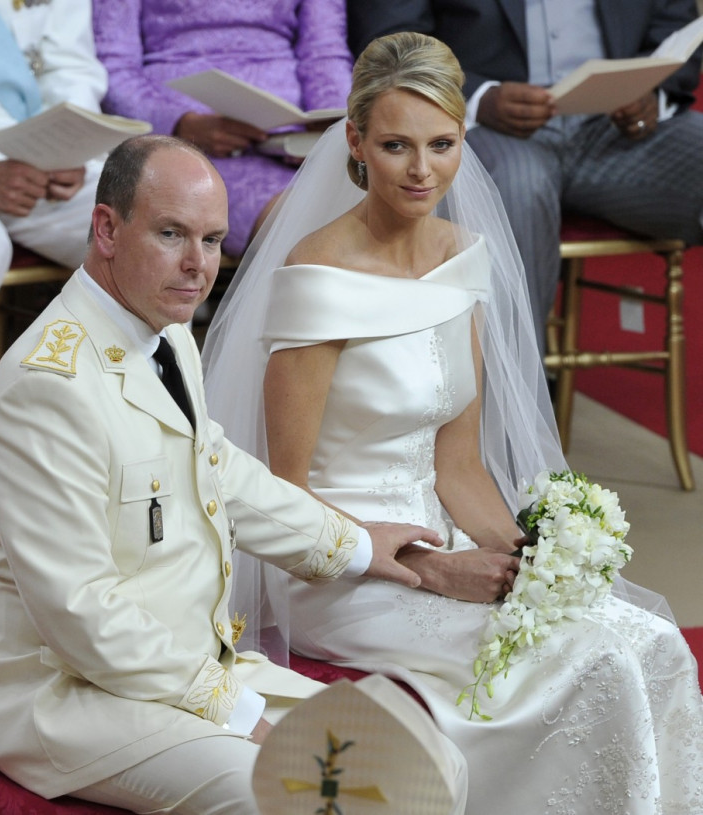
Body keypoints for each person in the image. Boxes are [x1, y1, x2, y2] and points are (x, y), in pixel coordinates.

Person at [202, 33, 703, 814]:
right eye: (396, 145)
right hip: (338, 566)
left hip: (450, 537)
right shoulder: (318, 277)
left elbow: (460, 467)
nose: (420, 170)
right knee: (593, 664)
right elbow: (282, 496)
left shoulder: (460, 256)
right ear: (356, 142)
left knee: (651, 642)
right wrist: (434, 571)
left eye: (442, 145)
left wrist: (529, 561)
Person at [0, 134, 468, 814]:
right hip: (71, 694)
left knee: (426, 760)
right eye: (172, 233)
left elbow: (217, 469)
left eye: (211, 240)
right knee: (303, 793)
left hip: (181, 663)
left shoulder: (163, 327)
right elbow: (82, 613)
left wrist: (354, 543)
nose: (197, 266)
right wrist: (233, 708)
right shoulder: (47, 388)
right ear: (107, 228)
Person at [347, 0, 703, 354]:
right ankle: (515, 393)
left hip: (616, 130)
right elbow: (390, 39)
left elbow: (675, 23)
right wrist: (478, 98)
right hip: (487, 128)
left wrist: (652, 94)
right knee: (518, 186)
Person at [0, 0, 107, 490]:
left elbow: (71, 64)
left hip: (37, 165)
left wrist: (69, 144)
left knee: (139, 221)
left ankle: (133, 448)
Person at [91, 0, 353, 258]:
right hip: (192, 144)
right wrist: (180, 122)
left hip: (295, 140)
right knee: (307, 225)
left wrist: (331, 122)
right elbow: (115, 68)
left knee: (367, 208)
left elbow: (324, 51)